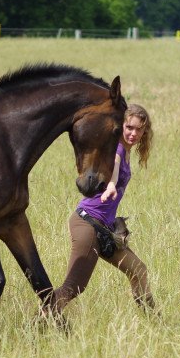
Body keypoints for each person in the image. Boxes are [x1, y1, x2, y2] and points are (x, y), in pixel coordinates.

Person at [53, 104, 156, 313]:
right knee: (74, 286)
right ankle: (38, 322)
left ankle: (156, 324)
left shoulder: (126, 152)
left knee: (138, 270)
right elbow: (114, 169)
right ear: (122, 126)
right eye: (129, 127)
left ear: (145, 131)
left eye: (138, 129)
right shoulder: (116, 149)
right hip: (87, 222)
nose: (133, 133)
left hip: (104, 228)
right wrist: (111, 184)